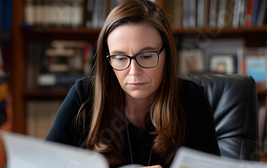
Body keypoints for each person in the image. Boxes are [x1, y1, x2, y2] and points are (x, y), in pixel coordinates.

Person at [45, 0, 220, 167]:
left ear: (167, 54)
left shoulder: (191, 100)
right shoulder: (84, 95)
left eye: (146, 56)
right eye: (120, 58)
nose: (134, 71)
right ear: (108, 60)